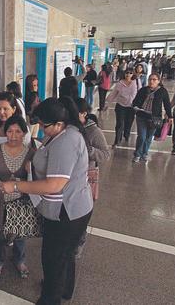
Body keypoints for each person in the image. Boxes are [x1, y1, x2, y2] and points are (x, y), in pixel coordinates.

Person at [0, 97, 93, 305]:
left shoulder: (67, 141)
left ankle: (50, 299)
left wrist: (15, 186)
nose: (41, 128)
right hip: (75, 207)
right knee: (65, 255)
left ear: (59, 123)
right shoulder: (63, 133)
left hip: (67, 212)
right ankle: (64, 289)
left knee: (53, 259)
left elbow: (54, 185)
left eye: (44, 125)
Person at [0, 116, 34, 279]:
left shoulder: (31, 153)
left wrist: (26, 177)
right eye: (10, 131)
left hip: (22, 201)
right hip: (0, 201)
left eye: (18, 131)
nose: (13, 135)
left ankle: (19, 259)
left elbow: (37, 179)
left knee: (20, 232)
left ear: (24, 133)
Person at [0, 92, 30, 240]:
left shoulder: (22, 126)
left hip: (15, 176)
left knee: (15, 208)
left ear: (14, 109)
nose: (1, 112)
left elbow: (26, 151)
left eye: (5, 109)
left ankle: (13, 236)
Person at [74, 98, 110, 256]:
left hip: (87, 176)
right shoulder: (70, 128)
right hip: (70, 176)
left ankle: (79, 242)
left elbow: (105, 154)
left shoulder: (94, 132)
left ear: (83, 114)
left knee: (82, 212)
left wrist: (88, 150)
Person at [131, 73, 173, 162]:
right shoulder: (143, 90)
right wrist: (136, 108)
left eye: (154, 79)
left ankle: (145, 153)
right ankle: (137, 154)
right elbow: (135, 102)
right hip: (141, 116)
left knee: (149, 137)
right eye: (150, 79)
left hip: (155, 118)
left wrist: (170, 116)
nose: (151, 81)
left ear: (158, 81)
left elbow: (167, 104)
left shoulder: (162, 91)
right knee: (142, 136)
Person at [107, 69, 138, 147]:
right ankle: (117, 140)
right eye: (127, 73)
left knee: (128, 123)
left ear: (133, 75)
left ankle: (126, 135)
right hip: (120, 106)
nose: (128, 74)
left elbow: (139, 93)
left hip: (131, 107)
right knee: (119, 123)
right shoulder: (120, 83)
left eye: (130, 73)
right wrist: (107, 103)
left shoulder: (136, 83)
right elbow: (113, 93)